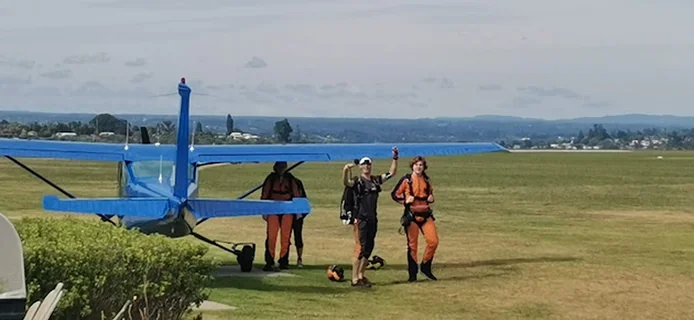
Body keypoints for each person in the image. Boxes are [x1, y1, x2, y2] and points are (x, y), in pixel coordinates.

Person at [342, 147, 399, 287]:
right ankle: (355, 279)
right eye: (364, 164)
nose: (366, 166)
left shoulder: (375, 181)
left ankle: (361, 274)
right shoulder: (357, 182)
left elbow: (391, 173)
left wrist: (395, 158)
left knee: (369, 248)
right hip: (361, 218)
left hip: (372, 218)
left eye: (368, 164)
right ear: (360, 166)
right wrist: (345, 170)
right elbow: (346, 183)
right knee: (360, 248)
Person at [390, 156, 438, 282]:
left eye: (421, 165)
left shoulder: (427, 180)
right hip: (411, 216)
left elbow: (430, 193)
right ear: (412, 166)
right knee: (412, 246)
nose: (418, 167)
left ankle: (425, 267)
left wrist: (431, 197)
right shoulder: (406, 180)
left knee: (433, 241)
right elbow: (394, 194)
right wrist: (405, 200)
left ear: (424, 167)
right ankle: (412, 274)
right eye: (416, 165)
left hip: (426, 215)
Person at [260, 161, 302, 271]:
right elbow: (265, 194)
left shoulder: (290, 178)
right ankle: (269, 261)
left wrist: (297, 211)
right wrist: (264, 211)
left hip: (287, 209)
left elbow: (296, 194)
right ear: (276, 167)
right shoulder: (271, 178)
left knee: (286, 236)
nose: (281, 168)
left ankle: (283, 261)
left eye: (283, 166)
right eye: (279, 166)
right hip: (273, 208)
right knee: (271, 236)